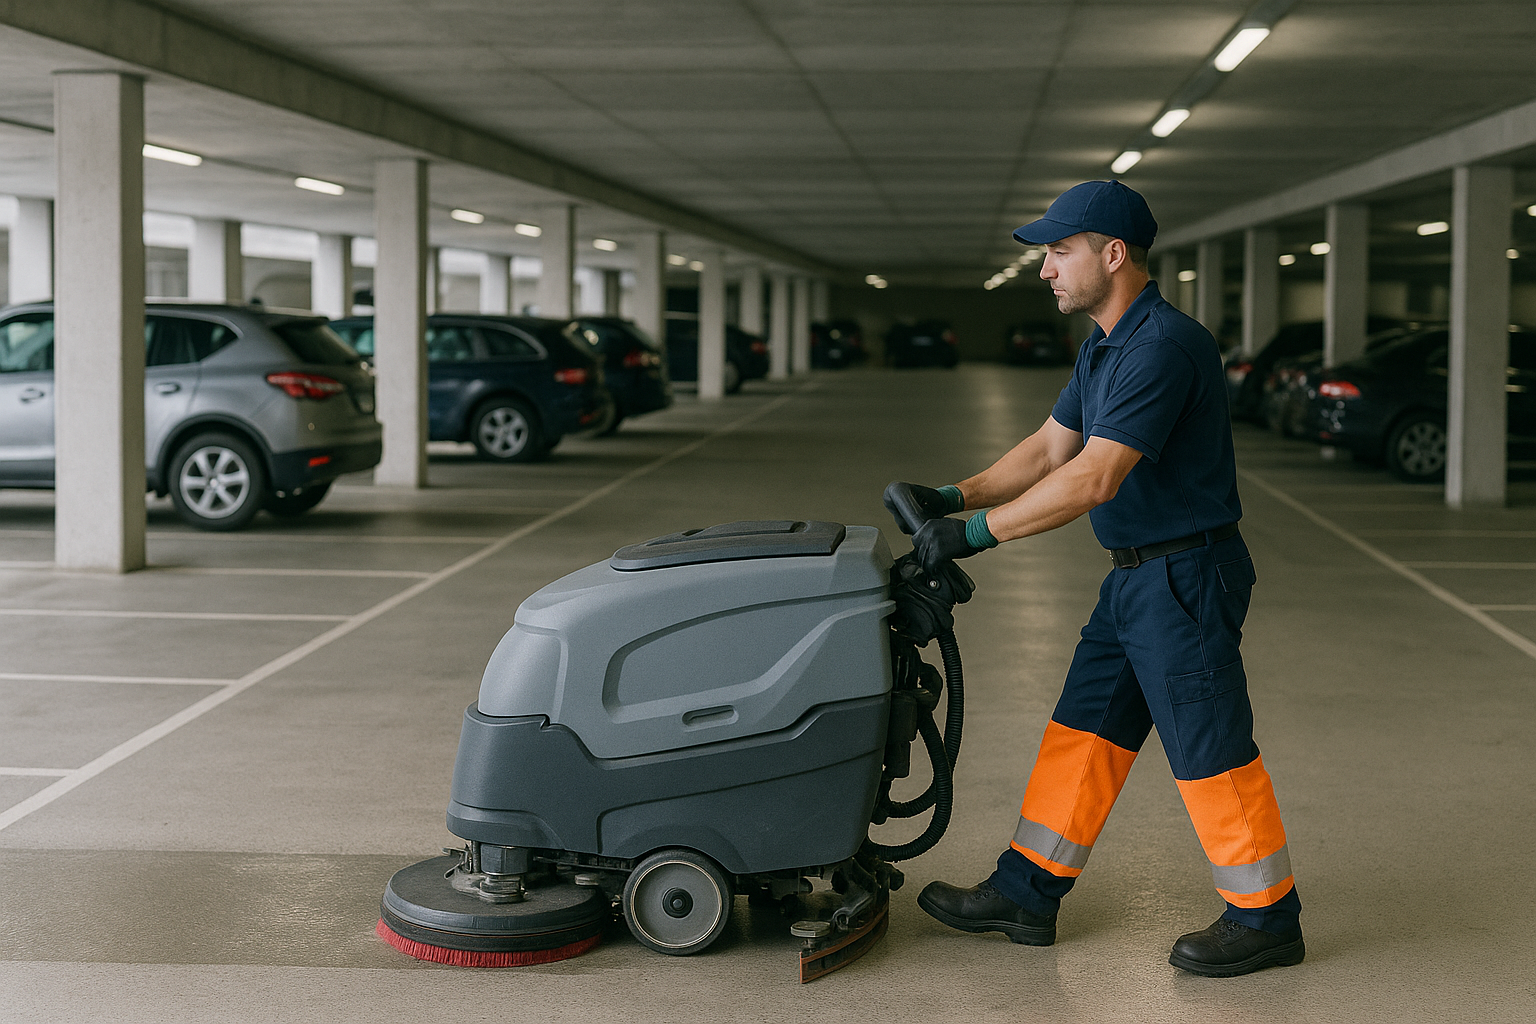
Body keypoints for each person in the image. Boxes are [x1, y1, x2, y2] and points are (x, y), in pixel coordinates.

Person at [890, 180, 1303, 978]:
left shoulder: (1163, 345)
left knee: (1209, 748)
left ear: (1113, 256)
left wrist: (972, 535)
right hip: (1137, 580)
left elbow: (1092, 479)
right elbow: (1050, 449)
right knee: (1084, 729)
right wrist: (952, 496)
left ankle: (1267, 916)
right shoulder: (1107, 345)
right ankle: (1026, 892)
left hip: (1186, 576)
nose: (1045, 269)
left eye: (1058, 252)